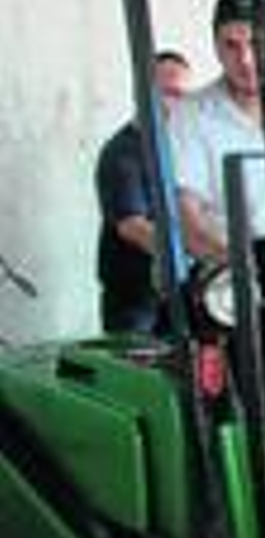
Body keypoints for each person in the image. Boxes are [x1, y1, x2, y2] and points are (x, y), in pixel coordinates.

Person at [170, 0, 265, 265]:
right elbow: (186, 214)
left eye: (255, 43)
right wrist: (236, 267)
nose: (246, 60)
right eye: (231, 46)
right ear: (215, 47)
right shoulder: (190, 115)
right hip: (229, 279)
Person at [94, 49, 192, 333]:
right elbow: (132, 226)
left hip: (178, 291)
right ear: (141, 94)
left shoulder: (182, 147)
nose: (176, 104)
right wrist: (195, 252)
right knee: (137, 375)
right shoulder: (121, 153)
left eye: (182, 95)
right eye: (167, 93)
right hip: (136, 301)